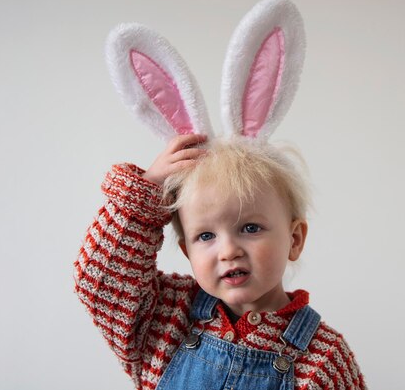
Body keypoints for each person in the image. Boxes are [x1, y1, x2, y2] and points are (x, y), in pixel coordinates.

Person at [74, 133, 366, 390]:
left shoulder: (323, 357)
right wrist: (145, 195)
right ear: (187, 252)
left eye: (250, 228)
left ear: (295, 239)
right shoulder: (167, 316)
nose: (228, 251)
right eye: (205, 236)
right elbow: (100, 283)